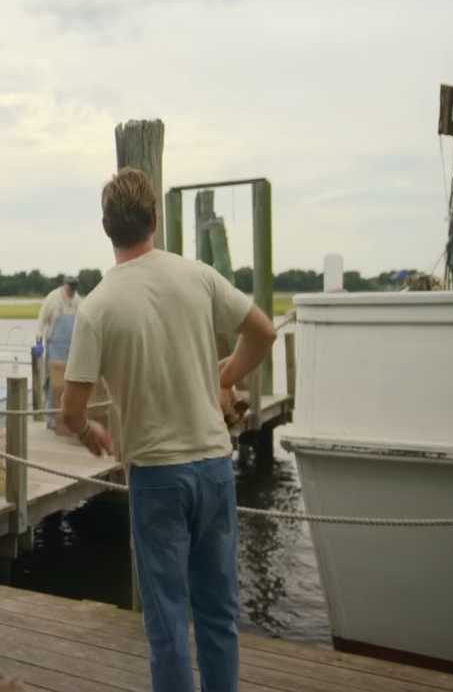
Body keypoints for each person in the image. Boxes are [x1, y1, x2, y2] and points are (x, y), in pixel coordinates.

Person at [61, 168, 276, 692]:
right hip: (212, 465)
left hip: (157, 476)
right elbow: (263, 331)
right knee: (219, 616)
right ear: (155, 218)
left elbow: (71, 410)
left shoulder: (96, 307)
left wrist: (91, 433)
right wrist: (222, 375)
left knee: (167, 626)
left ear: (106, 228)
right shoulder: (197, 276)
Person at [36, 275, 81, 431]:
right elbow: (41, 320)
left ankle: (66, 417)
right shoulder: (53, 299)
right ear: (64, 285)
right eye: (70, 287)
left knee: (69, 382)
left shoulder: (78, 301)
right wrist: (39, 342)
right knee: (52, 382)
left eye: (74, 287)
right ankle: (50, 417)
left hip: (72, 348)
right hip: (54, 345)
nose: (72, 290)